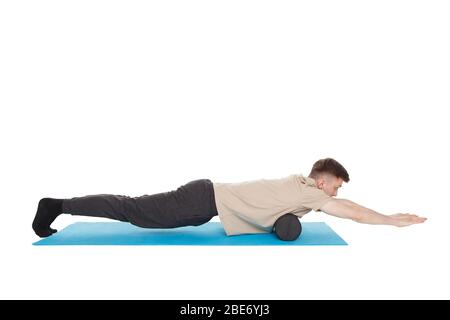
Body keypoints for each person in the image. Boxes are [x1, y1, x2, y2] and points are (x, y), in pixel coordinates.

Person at [32, 158, 427, 238]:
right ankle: (58, 205)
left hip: (203, 203)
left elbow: (346, 207)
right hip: (200, 200)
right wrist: (392, 220)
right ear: (324, 182)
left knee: (134, 211)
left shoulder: (301, 191)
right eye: (338, 185)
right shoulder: (308, 191)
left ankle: (60, 205)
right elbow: (353, 213)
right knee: (132, 210)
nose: (339, 192)